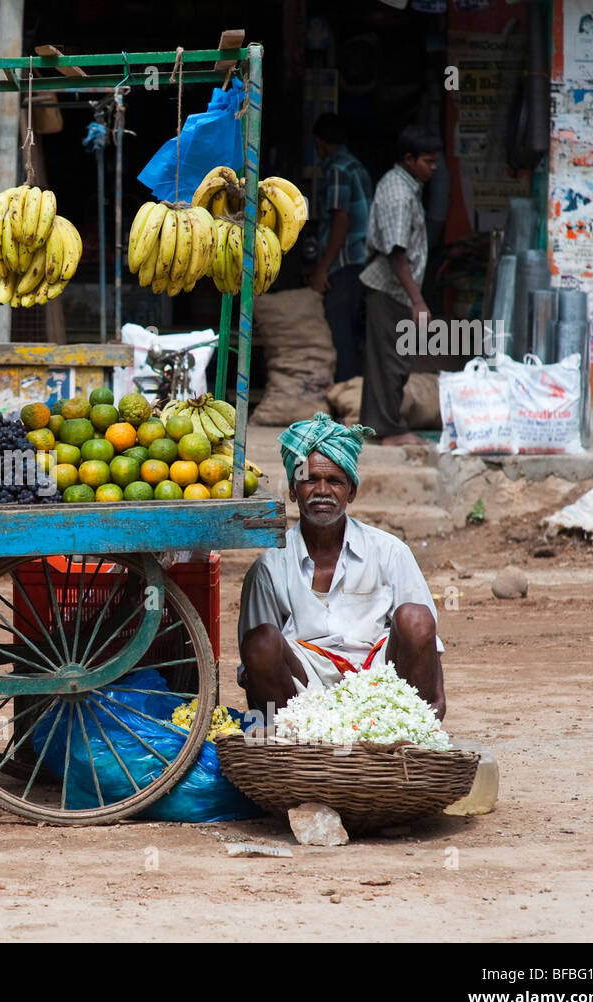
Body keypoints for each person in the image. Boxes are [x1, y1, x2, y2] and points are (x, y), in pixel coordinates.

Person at [238, 413, 446, 719]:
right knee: (260, 640)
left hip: (382, 679)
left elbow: (426, 643)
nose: (322, 490)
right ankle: (298, 743)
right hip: (304, 690)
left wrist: (434, 703)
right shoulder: (269, 568)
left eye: (334, 481)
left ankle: (410, 728)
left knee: (416, 617)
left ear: (351, 492)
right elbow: (254, 667)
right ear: (294, 492)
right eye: (310, 480)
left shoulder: (389, 552)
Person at [358, 124, 442, 446]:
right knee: (392, 360)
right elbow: (396, 251)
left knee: (389, 359)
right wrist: (418, 301)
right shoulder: (396, 192)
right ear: (409, 159)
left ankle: (379, 426)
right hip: (388, 288)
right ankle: (388, 431)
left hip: (392, 289)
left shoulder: (407, 187)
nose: (433, 168)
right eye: (428, 162)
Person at [305, 113, 373, 383]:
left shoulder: (337, 169)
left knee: (339, 334)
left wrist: (323, 268)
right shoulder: (356, 166)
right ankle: (354, 394)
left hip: (344, 264)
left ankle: (347, 394)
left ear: (320, 143)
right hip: (360, 261)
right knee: (352, 333)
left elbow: (340, 219)